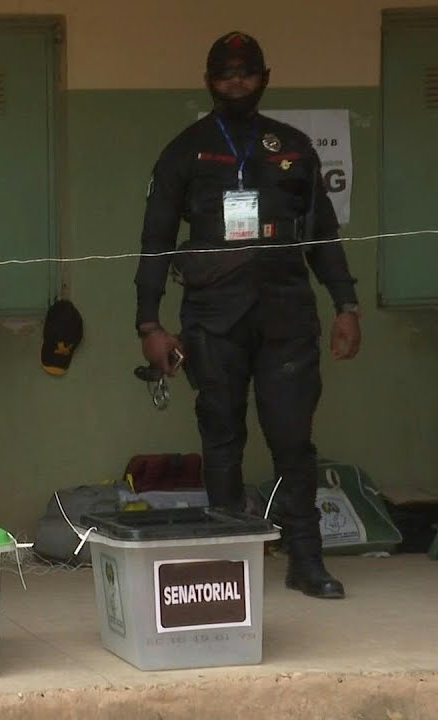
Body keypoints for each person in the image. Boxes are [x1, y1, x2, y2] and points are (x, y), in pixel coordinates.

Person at [133, 31, 362, 600]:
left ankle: (305, 559)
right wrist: (149, 323)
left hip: (287, 317)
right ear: (208, 81)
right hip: (214, 319)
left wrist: (346, 305)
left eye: (246, 72)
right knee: (222, 437)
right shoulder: (185, 150)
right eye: (224, 73)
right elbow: (156, 239)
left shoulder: (294, 146)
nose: (236, 82)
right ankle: (228, 563)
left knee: (292, 439)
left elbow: (324, 236)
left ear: (266, 77)